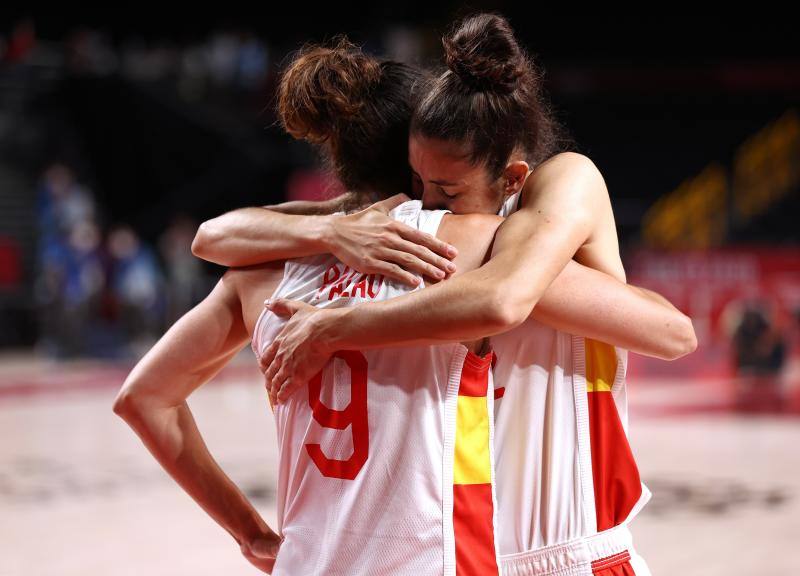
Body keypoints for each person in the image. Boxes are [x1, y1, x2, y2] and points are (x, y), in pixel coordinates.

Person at [194, 28, 695, 576]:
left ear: (511, 178)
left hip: (576, 540)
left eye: (447, 191)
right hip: (480, 552)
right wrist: (333, 231)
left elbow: (665, 331)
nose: (429, 203)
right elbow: (214, 236)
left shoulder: (559, 189)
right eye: (417, 181)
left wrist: (337, 325)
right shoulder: (405, 229)